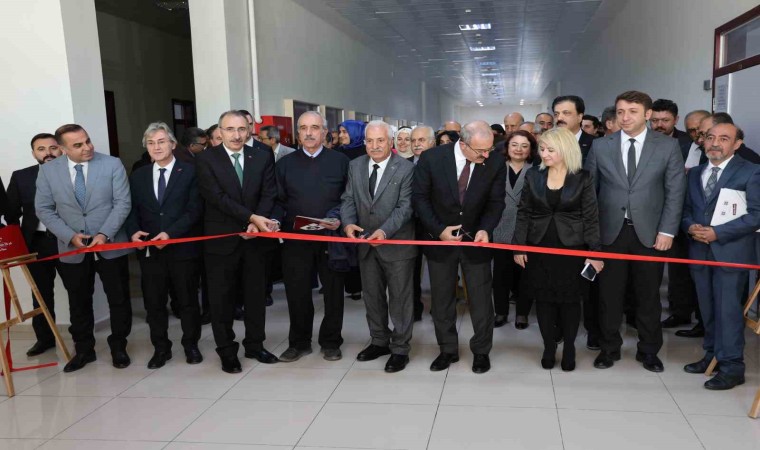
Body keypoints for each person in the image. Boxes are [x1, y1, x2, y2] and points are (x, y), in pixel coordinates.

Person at [585, 91, 686, 372]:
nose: (625, 117)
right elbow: (589, 193)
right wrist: (591, 237)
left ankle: (649, 350)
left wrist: (667, 231)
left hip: (651, 235)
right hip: (610, 234)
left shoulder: (667, 147)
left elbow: (675, 192)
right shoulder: (601, 146)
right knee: (609, 296)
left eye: (632, 111)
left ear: (647, 114)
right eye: (620, 112)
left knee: (648, 296)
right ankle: (609, 348)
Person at [35, 124, 133, 373]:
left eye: (87, 141)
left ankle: (119, 346)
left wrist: (103, 234)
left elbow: (123, 203)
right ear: (62, 148)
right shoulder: (48, 171)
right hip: (72, 247)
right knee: (78, 301)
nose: (87, 147)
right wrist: (69, 236)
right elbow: (44, 209)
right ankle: (84, 350)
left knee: (119, 298)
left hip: (110, 243)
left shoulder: (112, 164)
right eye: (78, 145)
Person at [413, 120, 506, 374]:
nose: (486, 156)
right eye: (481, 151)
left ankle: (481, 351)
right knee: (442, 300)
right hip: (440, 242)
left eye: (490, 150)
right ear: (463, 145)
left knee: (481, 301)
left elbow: (496, 202)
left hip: (477, 241)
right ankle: (447, 349)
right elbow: (420, 199)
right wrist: (438, 230)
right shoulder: (432, 158)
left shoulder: (495, 162)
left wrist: (486, 228)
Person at [195, 110, 280, 374]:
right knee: (222, 299)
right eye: (230, 129)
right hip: (222, 240)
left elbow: (270, 192)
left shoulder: (263, 155)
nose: (236, 135)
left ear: (249, 130)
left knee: (256, 296)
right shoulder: (206, 159)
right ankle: (227, 351)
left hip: (255, 239)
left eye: (241, 129)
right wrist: (251, 218)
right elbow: (216, 197)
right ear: (219, 132)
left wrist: (256, 224)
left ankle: (255, 345)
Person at [514, 128, 602, 371]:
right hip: (539, 246)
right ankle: (549, 347)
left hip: (572, 249)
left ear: (565, 150)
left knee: (570, 301)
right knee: (543, 300)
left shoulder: (582, 177)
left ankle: (570, 348)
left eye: (550, 149)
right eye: (542, 149)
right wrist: (518, 246)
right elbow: (524, 212)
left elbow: (591, 216)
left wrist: (595, 251)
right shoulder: (534, 175)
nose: (544, 154)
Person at [681, 123, 760, 390]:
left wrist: (718, 233)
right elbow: (687, 210)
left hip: (731, 252)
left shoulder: (751, 172)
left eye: (724, 139)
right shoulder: (695, 173)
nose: (715, 143)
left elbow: (756, 215)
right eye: (710, 138)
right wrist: (690, 226)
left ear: (737, 144)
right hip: (699, 252)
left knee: (728, 310)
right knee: (707, 308)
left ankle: (732, 366)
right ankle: (712, 355)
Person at [126, 122, 203, 369]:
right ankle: (161, 348)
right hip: (150, 251)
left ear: (172, 144)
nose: (156, 147)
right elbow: (131, 210)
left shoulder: (191, 171)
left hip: (182, 249)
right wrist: (133, 232)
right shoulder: (138, 175)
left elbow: (195, 210)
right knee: (154, 303)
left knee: (187, 301)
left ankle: (191, 345)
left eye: (161, 141)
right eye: (151, 143)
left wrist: (169, 233)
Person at [274, 111, 350, 363]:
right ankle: (299, 343)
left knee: (333, 293)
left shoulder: (341, 162)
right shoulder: (284, 164)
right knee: (297, 293)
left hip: (331, 238)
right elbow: (278, 201)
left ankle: (331, 342)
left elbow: (348, 198)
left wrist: (338, 216)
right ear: (297, 133)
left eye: (315, 127)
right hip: (296, 240)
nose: (309, 132)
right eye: (304, 128)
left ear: (325, 132)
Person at [341, 120, 416, 373]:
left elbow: (405, 207)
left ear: (391, 142)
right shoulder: (355, 165)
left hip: (396, 245)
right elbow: (349, 198)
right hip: (365, 245)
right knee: (372, 297)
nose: (374, 146)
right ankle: (379, 341)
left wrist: (384, 231)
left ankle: (400, 349)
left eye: (380, 140)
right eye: (369, 141)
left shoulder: (406, 169)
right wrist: (348, 223)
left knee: (400, 299)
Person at [6, 133, 63, 356]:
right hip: (35, 243)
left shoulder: (72, 173)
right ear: (33, 153)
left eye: (53, 147)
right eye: (41, 149)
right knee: (39, 294)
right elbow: (11, 214)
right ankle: (45, 339)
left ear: (61, 149)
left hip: (67, 241)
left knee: (78, 291)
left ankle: (82, 341)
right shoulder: (21, 177)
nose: (48, 152)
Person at [493, 130, 536, 330]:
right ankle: (500, 312)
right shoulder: (496, 169)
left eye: (524, 146)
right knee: (500, 275)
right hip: (499, 229)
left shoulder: (536, 171)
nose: (518, 149)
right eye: (514, 145)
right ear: (507, 147)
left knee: (524, 276)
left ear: (530, 150)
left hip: (526, 232)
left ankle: (522, 314)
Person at [409, 126, 436, 320]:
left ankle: (441, 306)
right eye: (413, 140)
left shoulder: (443, 164)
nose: (417, 143)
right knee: (411, 270)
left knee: (438, 270)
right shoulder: (403, 165)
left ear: (432, 143)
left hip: (436, 225)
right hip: (411, 225)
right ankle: (414, 309)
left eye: (422, 140)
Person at [553, 95, 595, 163]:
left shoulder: (595, 145)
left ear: (579, 117)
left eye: (566, 113)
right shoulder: (547, 143)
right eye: (556, 114)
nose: (559, 118)